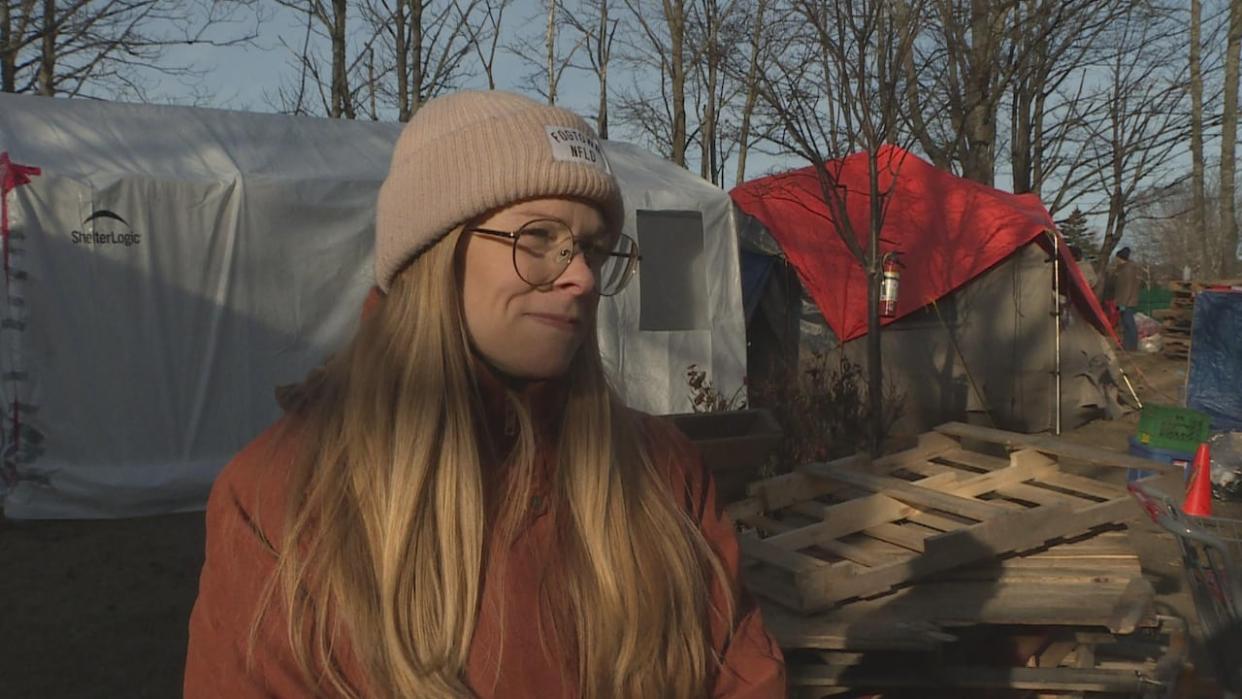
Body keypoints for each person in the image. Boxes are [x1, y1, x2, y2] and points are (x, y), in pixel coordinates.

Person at [183, 90, 786, 699]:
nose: (580, 276)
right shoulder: (285, 496)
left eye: (593, 248)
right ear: (436, 253)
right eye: (538, 238)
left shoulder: (662, 471)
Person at [1110, 246, 1140, 351]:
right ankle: (1127, 345)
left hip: (1127, 301)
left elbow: (1127, 288)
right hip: (1124, 300)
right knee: (1125, 324)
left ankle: (1132, 345)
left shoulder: (1128, 270)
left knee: (1129, 324)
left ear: (1120, 258)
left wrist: (1124, 302)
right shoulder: (1123, 269)